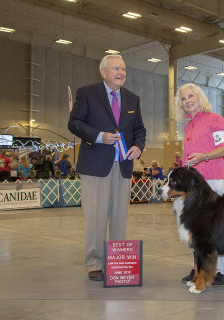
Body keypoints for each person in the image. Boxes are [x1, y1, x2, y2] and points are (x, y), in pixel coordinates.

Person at [68, 54, 146, 281]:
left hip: (123, 166)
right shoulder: (87, 93)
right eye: (116, 69)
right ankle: (94, 263)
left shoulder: (133, 99)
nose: (121, 72)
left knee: (119, 217)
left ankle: (117, 262)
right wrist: (99, 136)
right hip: (95, 165)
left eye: (123, 68)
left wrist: (138, 146)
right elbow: (74, 123)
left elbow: (140, 129)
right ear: (104, 72)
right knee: (95, 216)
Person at [174, 82, 224, 286]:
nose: (187, 101)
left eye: (190, 96)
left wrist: (204, 157)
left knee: (219, 228)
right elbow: (192, 157)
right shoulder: (187, 126)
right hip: (195, 187)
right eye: (183, 98)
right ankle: (199, 268)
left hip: (214, 181)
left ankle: (222, 271)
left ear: (200, 98)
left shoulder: (215, 119)